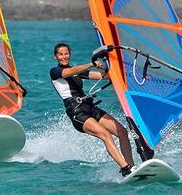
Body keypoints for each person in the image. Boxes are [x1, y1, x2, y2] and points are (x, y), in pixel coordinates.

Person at [50, 42, 135, 176]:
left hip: (89, 107)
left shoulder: (78, 73)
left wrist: (112, 64)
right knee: (105, 134)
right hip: (77, 112)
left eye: (66, 53)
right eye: (60, 54)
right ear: (55, 57)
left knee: (122, 132)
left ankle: (132, 167)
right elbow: (70, 72)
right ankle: (125, 168)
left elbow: (105, 76)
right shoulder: (55, 72)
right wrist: (91, 63)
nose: (64, 56)